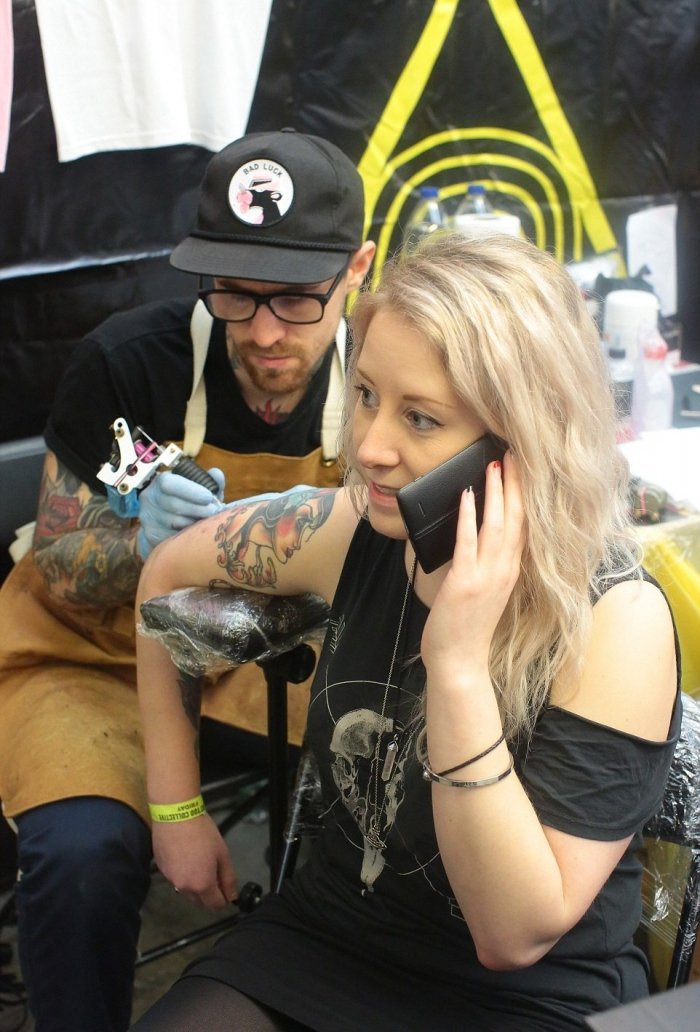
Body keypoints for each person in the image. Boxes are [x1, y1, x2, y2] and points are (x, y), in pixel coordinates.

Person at [132, 232, 680, 1032]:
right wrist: (176, 805)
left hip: (520, 996)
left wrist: (455, 664)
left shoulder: (616, 621)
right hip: (329, 939)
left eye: (420, 418)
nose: (370, 447)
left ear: (524, 434)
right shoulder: (355, 527)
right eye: (365, 395)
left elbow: (512, 937)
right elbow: (164, 575)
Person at [0, 128, 375, 1032]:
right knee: (82, 859)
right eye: (234, 294)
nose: (265, 332)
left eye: (297, 299)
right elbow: (58, 566)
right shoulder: (130, 365)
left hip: (282, 664)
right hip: (98, 665)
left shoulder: (383, 381)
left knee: (382, 833)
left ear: (356, 270)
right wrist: (141, 541)